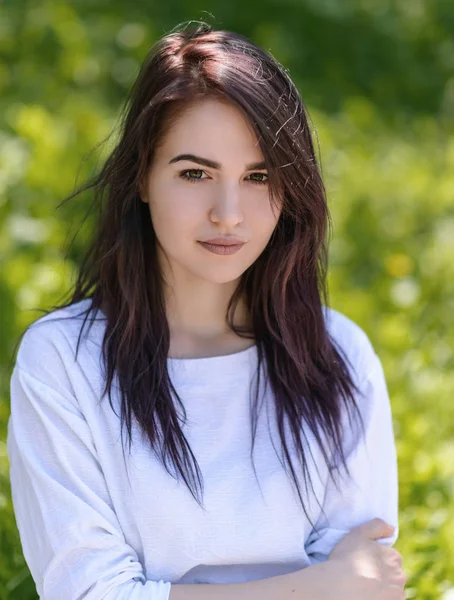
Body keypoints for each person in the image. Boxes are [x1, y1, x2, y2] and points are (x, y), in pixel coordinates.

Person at [6, 22, 406, 600]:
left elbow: (364, 585)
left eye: (259, 177)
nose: (229, 213)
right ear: (142, 176)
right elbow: (90, 593)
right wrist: (318, 586)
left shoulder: (336, 353)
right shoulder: (64, 360)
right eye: (195, 173)